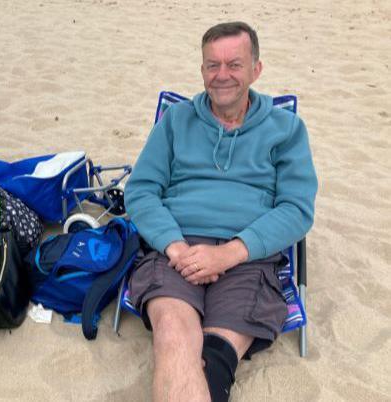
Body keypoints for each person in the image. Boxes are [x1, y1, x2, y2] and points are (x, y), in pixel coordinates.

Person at [124, 22, 317, 401]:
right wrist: (175, 246)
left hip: (248, 256)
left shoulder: (287, 129)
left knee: (213, 359)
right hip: (176, 251)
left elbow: (297, 209)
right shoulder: (176, 122)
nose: (222, 75)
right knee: (174, 340)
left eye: (234, 64)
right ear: (201, 71)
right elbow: (142, 190)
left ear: (256, 69)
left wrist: (229, 252)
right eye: (212, 65)